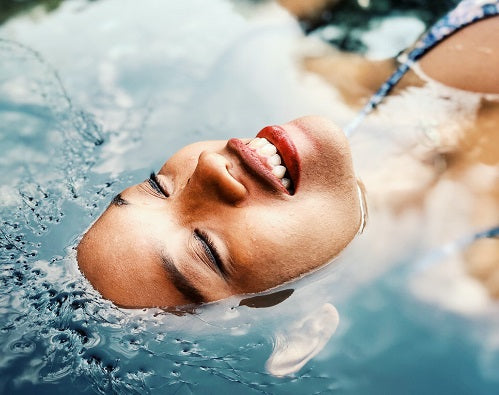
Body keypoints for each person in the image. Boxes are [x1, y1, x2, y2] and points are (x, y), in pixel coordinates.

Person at [77, 0, 499, 308]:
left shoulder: (272, 64)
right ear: (306, 329)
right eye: (205, 249)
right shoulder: (481, 283)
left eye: (157, 186)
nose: (207, 166)